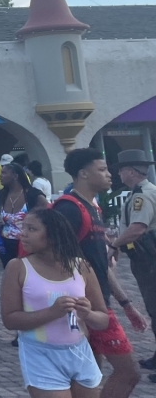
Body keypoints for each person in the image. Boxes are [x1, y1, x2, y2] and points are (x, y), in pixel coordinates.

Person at [54, 148, 140, 398]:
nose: (109, 175)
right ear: (83, 174)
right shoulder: (69, 209)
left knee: (90, 375)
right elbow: (56, 259)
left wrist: (126, 303)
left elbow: (99, 264)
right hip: (84, 305)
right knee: (128, 372)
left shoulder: (93, 208)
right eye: (101, 170)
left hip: (99, 303)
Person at [0, 208, 107, 397]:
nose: (23, 234)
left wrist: (88, 314)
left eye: (32, 229)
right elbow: (10, 320)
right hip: (41, 354)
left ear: (53, 235)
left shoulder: (81, 266)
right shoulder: (17, 267)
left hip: (80, 351)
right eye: (23, 228)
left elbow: (103, 319)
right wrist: (52, 312)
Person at [109, 149, 156, 374]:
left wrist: (114, 245)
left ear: (132, 171)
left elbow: (137, 228)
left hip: (150, 259)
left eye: (121, 169)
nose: (118, 173)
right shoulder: (139, 193)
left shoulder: (141, 196)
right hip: (146, 259)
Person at [0, 163, 49, 268]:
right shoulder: (1, 196)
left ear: (15, 176)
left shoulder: (33, 195)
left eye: (4, 172)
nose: (0, 176)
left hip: (28, 246)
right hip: (6, 245)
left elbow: (47, 217)